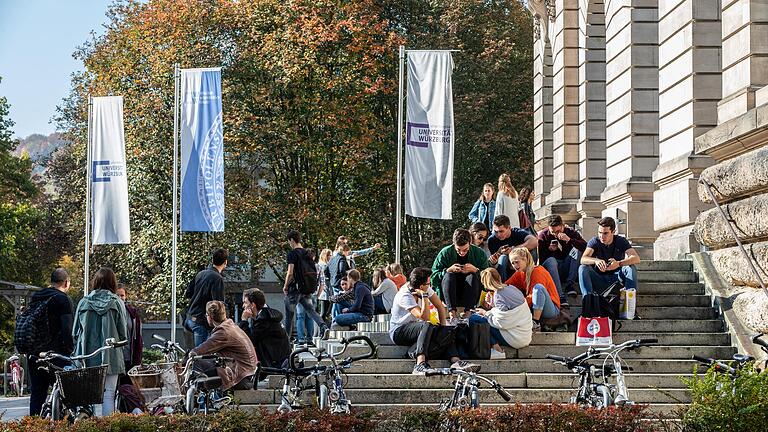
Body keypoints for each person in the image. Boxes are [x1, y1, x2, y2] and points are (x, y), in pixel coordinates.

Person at [389, 267, 481, 375]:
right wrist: (424, 296)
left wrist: (443, 331)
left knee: (447, 329)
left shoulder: (425, 287)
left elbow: (440, 307)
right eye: (428, 283)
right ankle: (420, 364)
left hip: (418, 329)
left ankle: (456, 361)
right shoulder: (404, 295)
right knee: (426, 325)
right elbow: (424, 317)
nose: (430, 284)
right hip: (399, 331)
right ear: (421, 286)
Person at [72, 267, 128, 416]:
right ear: (113, 283)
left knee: (87, 394)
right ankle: (107, 427)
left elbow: (75, 332)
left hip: (86, 355)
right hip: (110, 354)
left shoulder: (83, 302)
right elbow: (123, 333)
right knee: (109, 394)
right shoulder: (116, 302)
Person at [28, 268, 74, 416]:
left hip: (35, 353)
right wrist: (70, 350)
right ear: (66, 283)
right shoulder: (63, 299)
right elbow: (67, 329)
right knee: (67, 393)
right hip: (56, 354)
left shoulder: (36, 297)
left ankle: (34, 425)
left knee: (37, 394)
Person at [189, 301, 258, 390]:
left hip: (241, 377)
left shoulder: (223, 332)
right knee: (208, 364)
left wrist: (190, 354)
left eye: (206, 315)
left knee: (196, 363)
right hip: (248, 374)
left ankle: (197, 399)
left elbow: (201, 350)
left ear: (210, 317)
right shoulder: (231, 326)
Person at [469, 268, 533, 359]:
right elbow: (508, 314)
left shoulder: (499, 295)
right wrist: (492, 305)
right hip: (524, 335)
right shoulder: (511, 287)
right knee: (481, 318)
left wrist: (485, 313)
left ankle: (496, 348)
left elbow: (501, 323)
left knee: (474, 319)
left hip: (515, 338)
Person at [431, 228, 489, 323]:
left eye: (465, 250)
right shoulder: (445, 253)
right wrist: (447, 270)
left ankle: (468, 313)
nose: (462, 253)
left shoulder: (479, 253)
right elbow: (433, 278)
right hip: (449, 292)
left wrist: (476, 270)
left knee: (472, 275)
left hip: (471, 292)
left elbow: (488, 276)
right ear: (453, 244)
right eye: (458, 250)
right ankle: (452, 313)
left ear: (470, 243)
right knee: (449, 275)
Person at [283, 230, 329, 341]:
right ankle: (323, 326)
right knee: (311, 310)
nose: (289, 244)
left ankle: (285, 340)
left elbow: (290, 273)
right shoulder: (308, 254)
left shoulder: (292, 254)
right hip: (307, 288)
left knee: (289, 315)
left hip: (295, 289)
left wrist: (285, 286)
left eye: (289, 241)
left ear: (292, 240)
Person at [578, 217, 640, 295]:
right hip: (599, 278)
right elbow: (583, 259)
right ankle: (588, 300)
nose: (601, 236)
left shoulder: (621, 241)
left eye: (605, 233)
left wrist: (618, 263)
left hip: (617, 278)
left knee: (630, 268)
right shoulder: (594, 241)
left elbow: (636, 258)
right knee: (582, 268)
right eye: (599, 232)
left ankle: (630, 299)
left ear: (613, 232)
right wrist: (596, 261)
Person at [505, 248, 561, 331]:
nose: (515, 265)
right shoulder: (520, 273)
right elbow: (506, 286)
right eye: (512, 263)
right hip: (535, 306)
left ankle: (536, 322)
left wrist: (517, 307)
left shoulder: (537, 271)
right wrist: (492, 293)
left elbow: (532, 297)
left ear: (526, 259)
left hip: (551, 310)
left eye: (517, 262)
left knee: (538, 288)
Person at [538, 214, 587, 305]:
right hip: (552, 269)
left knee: (576, 250)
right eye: (553, 232)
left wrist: (569, 240)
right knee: (551, 260)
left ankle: (570, 284)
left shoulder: (570, 232)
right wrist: (548, 250)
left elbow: (586, 247)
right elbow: (538, 260)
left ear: (562, 226)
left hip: (568, 267)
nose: (556, 234)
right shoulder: (543, 235)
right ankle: (559, 295)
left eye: (558, 231)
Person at [185, 248, 228, 347]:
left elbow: (188, 293)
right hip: (201, 322)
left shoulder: (200, 274)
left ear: (212, 260)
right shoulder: (217, 278)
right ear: (225, 262)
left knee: (192, 355)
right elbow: (218, 304)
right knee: (202, 356)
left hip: (190, 318)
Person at [240, 288, 291, 369]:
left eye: (245, 303)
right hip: (275, 360)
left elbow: (249, 340)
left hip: (276, 364)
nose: (243, 306)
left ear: (253, 305)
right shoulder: (264, 316)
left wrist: (244, 320)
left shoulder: (264, 320)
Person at [487, 215, 538, 281]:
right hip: (505, 268)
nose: (498, 235)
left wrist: (514, 250)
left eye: (501, 231)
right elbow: (494, 264)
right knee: (503, 258)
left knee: (530, 249)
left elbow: (534, 241)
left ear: (509, 228)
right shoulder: (492, 240)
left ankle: (530, 277)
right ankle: (504, 285)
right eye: (496, 232)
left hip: (522, 264)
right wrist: (497, 256)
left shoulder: (517, 233)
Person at [115, 284, 143, 373]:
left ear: (126, 296)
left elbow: (138, 336)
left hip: (129, 358)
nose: (120, 298)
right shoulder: (111, 312)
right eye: (117, 295)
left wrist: (137, 358)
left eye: (122, 295)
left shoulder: (132, 313)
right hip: (115, 359)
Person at [295, 248, 318, 346]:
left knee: (300, 316)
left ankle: (300, 339)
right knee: (310, 317)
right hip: (312, 293)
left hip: (301, 293)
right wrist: (317, 294)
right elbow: (321, 282)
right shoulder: (316, 266)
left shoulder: (300, 265)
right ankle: (309, 339)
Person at [326, 242, 352, 317]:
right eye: (348, 252)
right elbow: (342, 270)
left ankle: (334, 318)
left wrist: (331, 278)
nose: (348, 253)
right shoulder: (342, 258)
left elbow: (326, 270)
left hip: (333, 282)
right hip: (340, 282)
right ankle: (337, 318)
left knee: (335, 300)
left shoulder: (332, 258)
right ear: (344, 251)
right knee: (339, 301)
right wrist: (345, 279)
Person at [316, 248, 333, 324]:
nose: (331, 257)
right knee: (323, 313)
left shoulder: (323, 264)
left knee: (325, 312)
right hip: (324, 291)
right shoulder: (323, 265)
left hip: (326, 291)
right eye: (329, 255)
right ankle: (322, 329)